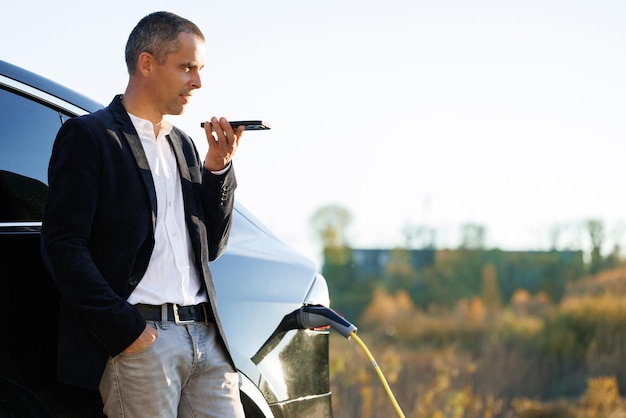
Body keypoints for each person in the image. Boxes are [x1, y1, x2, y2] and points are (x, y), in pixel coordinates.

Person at [41, 11, 246, 417]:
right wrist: (126, 330)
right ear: (147, 63)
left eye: (200, 69)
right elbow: (63, 245)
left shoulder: (185, 145)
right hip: (142, 341)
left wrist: (218, 169)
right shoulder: (90, 137)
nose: (198, 82)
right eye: (187, 67)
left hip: (206, 339)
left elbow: (212, 248)